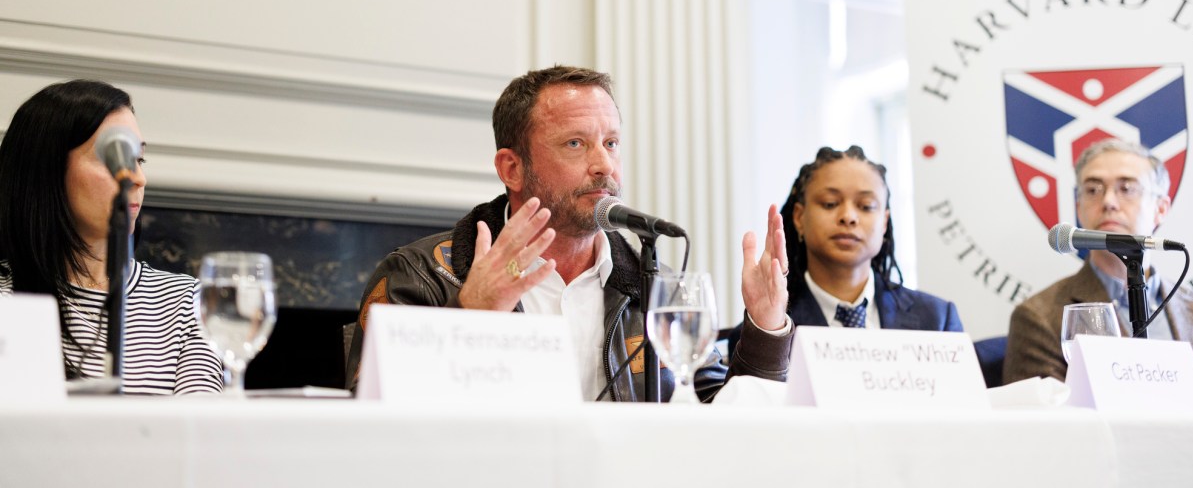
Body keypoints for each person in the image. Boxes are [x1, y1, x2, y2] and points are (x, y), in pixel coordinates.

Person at [345, 65, 793, 401]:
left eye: (611, 143)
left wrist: (766, 327)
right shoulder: (419, 273)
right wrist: (471, 316)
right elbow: (372, 425)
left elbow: (713, 416)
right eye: (575, 144)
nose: (604, 165)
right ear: (512, 168)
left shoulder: (652, 283)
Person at [0, 80, 222, 395]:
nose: (137, 177)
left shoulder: (184, 303)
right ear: (47, 168)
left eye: (139, 159)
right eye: (113, 156)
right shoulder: (7, 301)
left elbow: (201, 437)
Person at [728, 146, 961, 356]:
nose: (848, 217)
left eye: (866, 206)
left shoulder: (937, 319)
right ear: (799, 217)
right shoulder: (766, 330)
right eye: (830, 203)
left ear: (884, 222)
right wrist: (770, 330)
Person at [1003, 138, 1193, 383]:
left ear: (1161, 208)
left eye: (1126, 189)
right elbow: (1045, 419)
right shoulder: (1039, 317)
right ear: (1079, 207)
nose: (1108, 202)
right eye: (1093, 190)